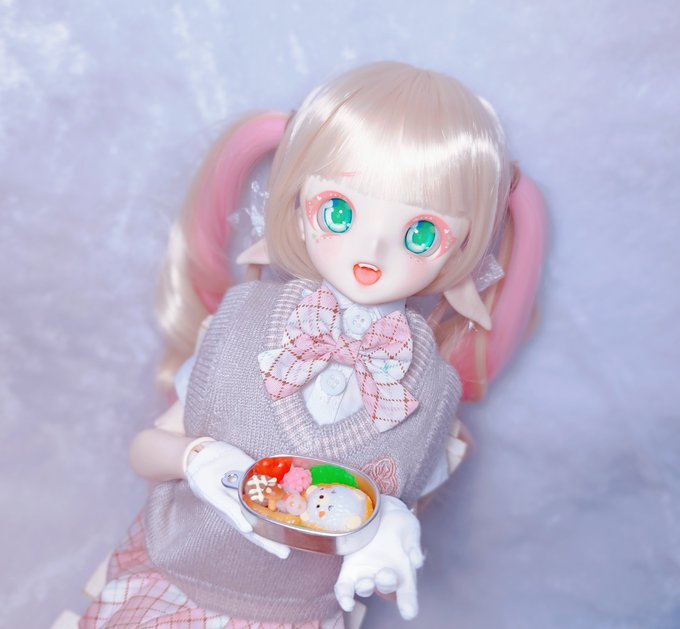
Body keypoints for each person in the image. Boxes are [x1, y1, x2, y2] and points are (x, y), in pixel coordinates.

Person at [79, 61, 546, 628]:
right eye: (339, 212)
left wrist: (392, 529)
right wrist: (194, 458)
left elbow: (391, 522)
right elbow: (145, 450)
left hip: (298, 615)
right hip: (176, 584)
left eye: (420, 233)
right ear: (300, 209)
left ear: (465, 247)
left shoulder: (430, 387)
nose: (372, 252)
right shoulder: (242, 323)